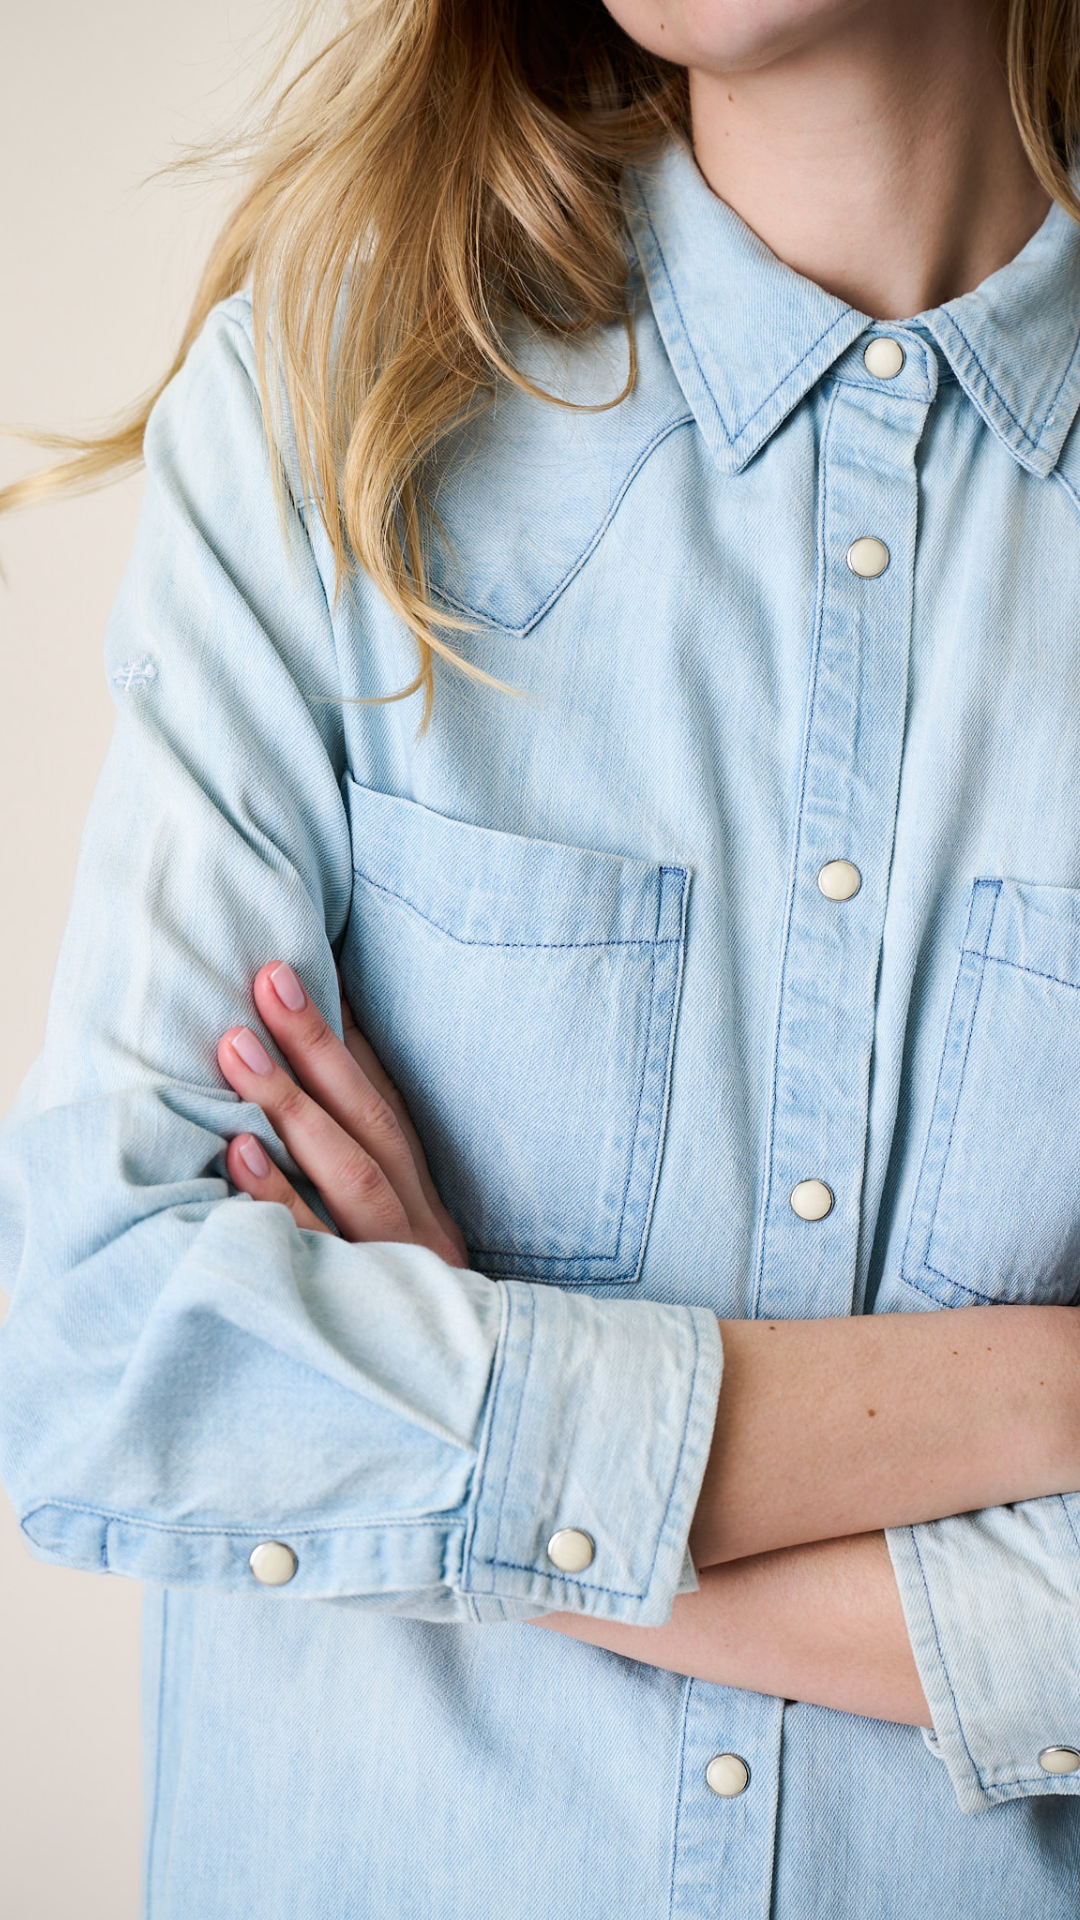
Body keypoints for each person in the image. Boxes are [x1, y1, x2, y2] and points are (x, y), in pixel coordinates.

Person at [3, 0, 1080, 1912]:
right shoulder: (328, 412)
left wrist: (473, 1432)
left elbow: (281, 1414)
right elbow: (110, 1348)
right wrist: (1042, 1395)